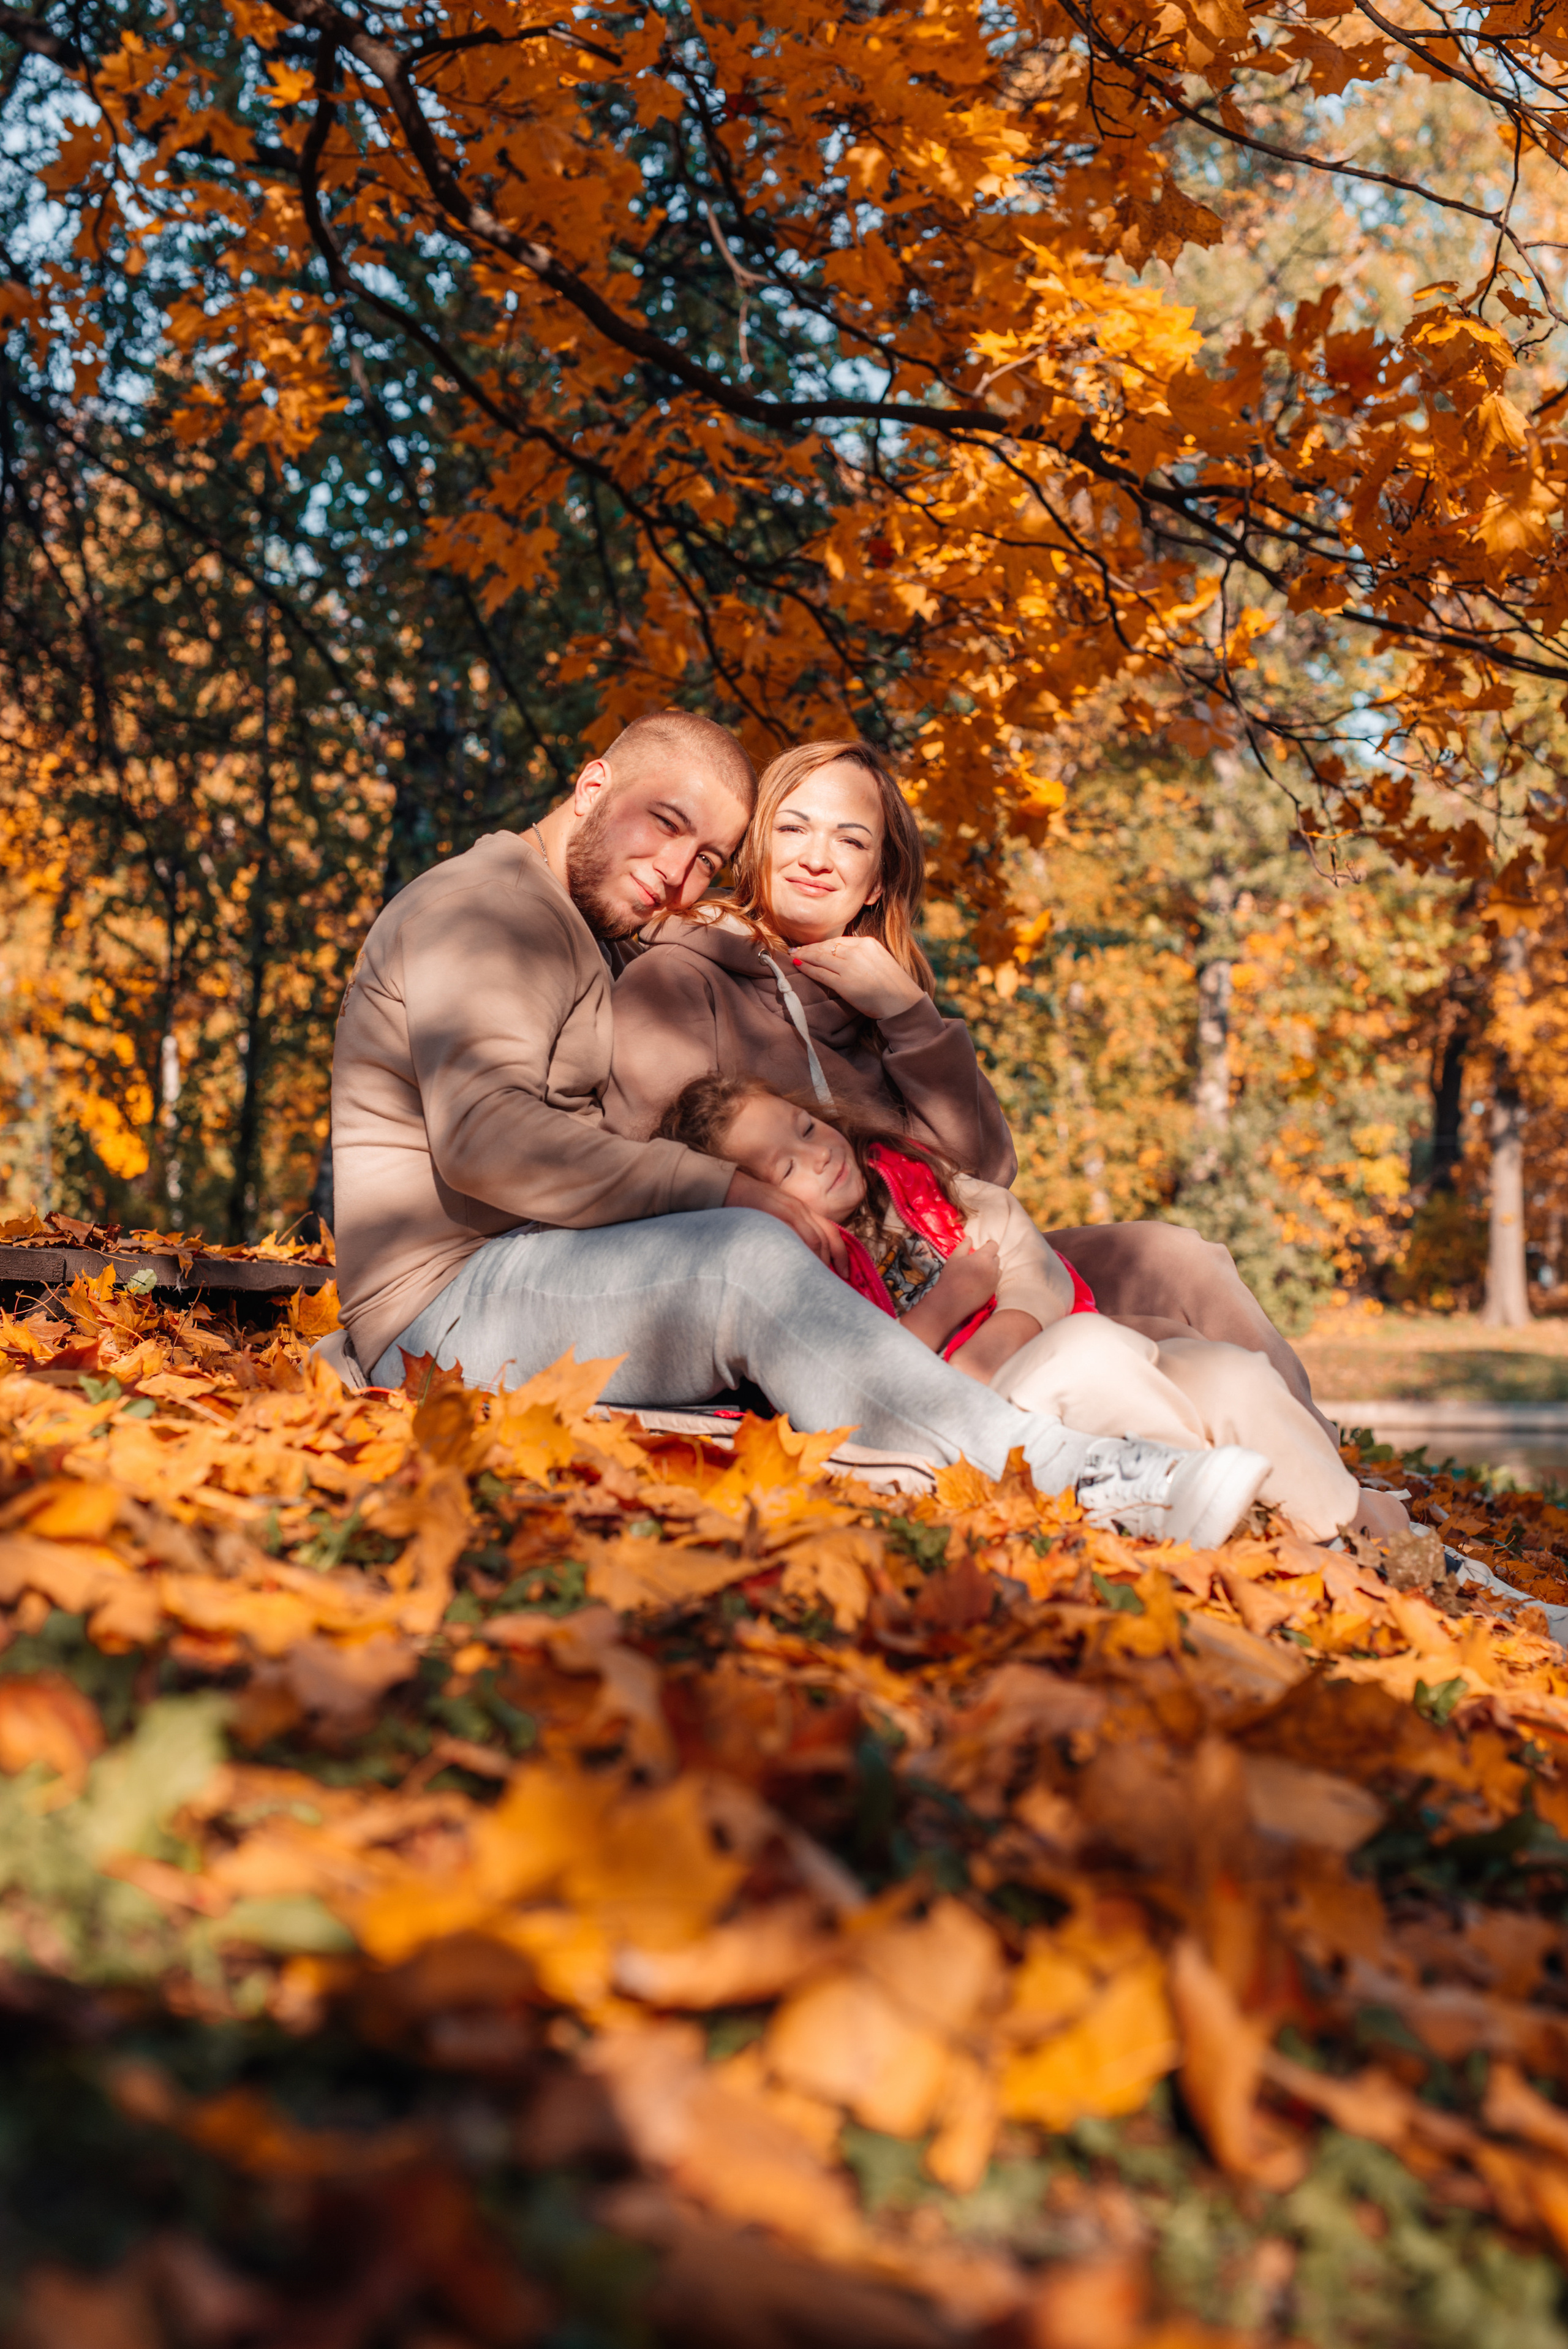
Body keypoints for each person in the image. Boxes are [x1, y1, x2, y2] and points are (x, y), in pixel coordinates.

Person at [328, 708, 1271, 1547]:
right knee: (740, 1251)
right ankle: (1082, 1476)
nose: (678, 872)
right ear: (591, 786)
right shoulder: (489, 909)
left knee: (1160, 1263)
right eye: (666, 824)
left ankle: (1264, 1476)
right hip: (443, 1306)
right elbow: (487, 1138)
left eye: (707, 858)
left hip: (534, 1276)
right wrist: (731, 1188)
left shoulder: (572, 920)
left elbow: (976, 1162)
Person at [605, 735, 1336, 1437]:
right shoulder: (676, 980)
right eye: (794, 828)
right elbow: (665, 1181)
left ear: (878, 882)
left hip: (950, 1256)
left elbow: (983, 1177)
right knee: (1162, 1344)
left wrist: (909, 1017)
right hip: (843, 1301)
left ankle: (1322, 1474)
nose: (817, 859)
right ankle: (1268, 1502)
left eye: (851, 841)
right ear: (757, 847)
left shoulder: (883, 998)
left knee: (1177, 1261)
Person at [657, 1073, 1379, 1545]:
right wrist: (954, 1304)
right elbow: (862, 1375)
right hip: (972, 1421)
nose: (816, 1154)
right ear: (752, 1197)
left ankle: (1358, 1540)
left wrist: (1004, 1324)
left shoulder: (907, 1181)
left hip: (1040, 1352)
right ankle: (1226, 1537)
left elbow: (1019, 1246)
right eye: (785, 1167)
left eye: (805, 1127)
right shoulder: (793, 1269)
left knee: (1229, 1373)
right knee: (1087, 1352)